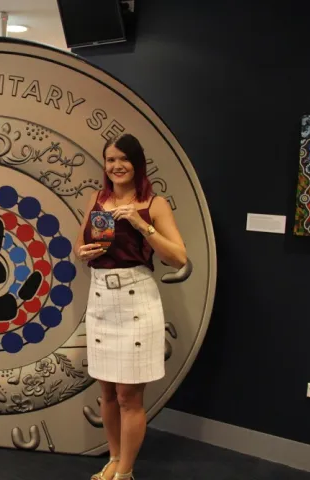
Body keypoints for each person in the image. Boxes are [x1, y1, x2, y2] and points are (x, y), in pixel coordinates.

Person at [74, 134, 187, 480]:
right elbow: (79, 244)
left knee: (128, 396)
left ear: (137, 163)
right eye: (110, 160)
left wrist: (140, 224)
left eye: (123, 159)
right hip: (101, 300)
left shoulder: (154, 203)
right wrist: (81, 253)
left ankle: (126, 472)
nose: (116, 166)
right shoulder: (95, 198)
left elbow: (178, 257)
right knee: (107, 390)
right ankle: (113, 459)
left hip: (137, 299)